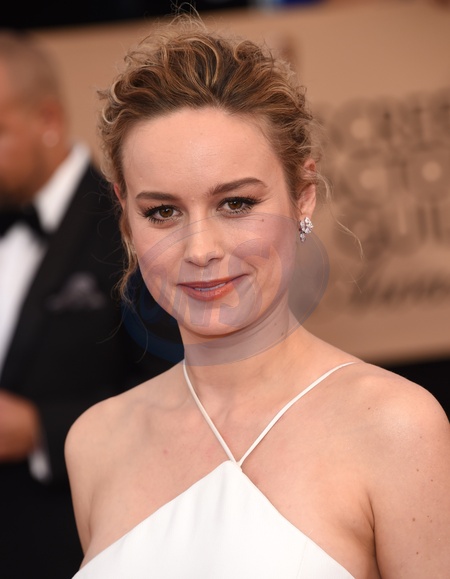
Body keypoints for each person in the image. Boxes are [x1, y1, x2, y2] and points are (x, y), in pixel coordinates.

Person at [65, 13, 450, 579]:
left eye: (236, 204)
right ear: (125, 215)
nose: (200, 249)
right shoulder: (95, 442)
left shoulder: (396, 426)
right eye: (163, 211)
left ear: (303, 195)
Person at [0, 29, 182, 579]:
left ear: (48, 120)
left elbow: (179, 395)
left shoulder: (131, 229)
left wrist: (39, 430)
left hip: (76, 545)